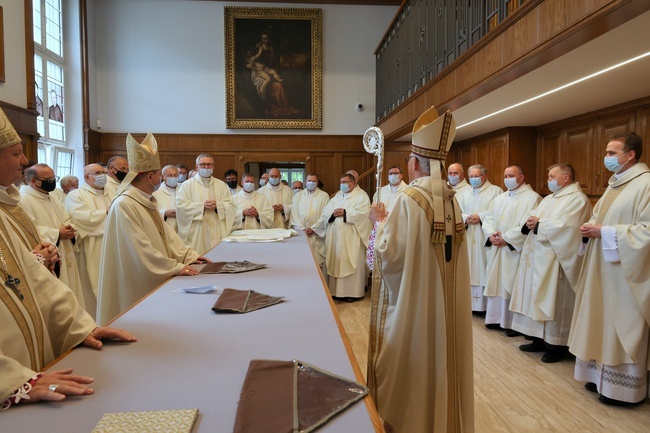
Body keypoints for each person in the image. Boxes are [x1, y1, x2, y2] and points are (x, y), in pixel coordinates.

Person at [0, 108, 136, 408]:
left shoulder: (7, 208)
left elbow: (33, 278)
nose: (24, 161)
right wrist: (7, 381)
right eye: (16, 153)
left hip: (31, 367)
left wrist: (80, 327)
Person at [367, 106, 473, 433]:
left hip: (416, 305)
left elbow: (387, 256)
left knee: (417, 353)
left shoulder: (409, 198)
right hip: (446, 303)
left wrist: (378, 224)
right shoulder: (451, 199)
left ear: (414, 163)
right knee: (445, 353)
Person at [569, 132, 650, 406]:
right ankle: (599, 376)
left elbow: (646, 232)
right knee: (599, 319)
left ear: (631, 155)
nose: (606, 158)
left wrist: (604, 231)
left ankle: (622, 390)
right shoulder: (615, 184)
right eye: (606, 153)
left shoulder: (645, 184)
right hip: (601, 265)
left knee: (620, 322)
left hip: (625, 272)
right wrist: (590, 228)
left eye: (612, 153)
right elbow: (600, 217)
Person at [97, 133, 206, 326]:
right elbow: (139, 249)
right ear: (150, 176)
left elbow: (165, 235)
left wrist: (187, 255)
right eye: (159, 173)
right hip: (134, 282)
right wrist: (175, 267)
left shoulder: (144, 200)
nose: (162, 177)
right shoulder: (125, 205)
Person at [508, 163, 591, 363]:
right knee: (537, 296)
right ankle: (538, 339)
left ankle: (557, 345)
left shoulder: (578, 200)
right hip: (539, 258)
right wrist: (531, 221)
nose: (549, 180)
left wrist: (540, 224)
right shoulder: (550, 198)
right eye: (548, 177)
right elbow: (534, 216)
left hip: (557, 261)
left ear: (566, 178)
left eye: (552, 177)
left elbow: (569, 228)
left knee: (556, 300)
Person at [482, 165, 541, 333]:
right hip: (497, 248)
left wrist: (506, 239)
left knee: (511, 282)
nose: (507, 178)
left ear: (522, 177)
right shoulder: (499, 198)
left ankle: (511, 323)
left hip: (513, 250)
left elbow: (527, 224)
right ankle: (494, 318)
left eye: (511, 175)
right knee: (496, 281)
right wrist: (492, 234)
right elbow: (488, 219)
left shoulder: (533, 198)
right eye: (505, 175)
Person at [21, 164, 87, 311]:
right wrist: (57, 233)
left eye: (53, 178)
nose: (52, 181)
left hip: (65, 249)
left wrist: (70, 229)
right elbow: (28, 230)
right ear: (32, 181)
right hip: (50, 255)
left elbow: (67, 218)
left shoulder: (53, 198)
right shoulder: (23, 200)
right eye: (47, 179)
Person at [313, 173, 371, 302]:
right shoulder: (337, 196)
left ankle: (352, 293)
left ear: (353, 183)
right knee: (336, 260)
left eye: (345, 182)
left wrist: (346, 213)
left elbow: (364, 214)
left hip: (352, 237)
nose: (342, 184)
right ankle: (334, 291)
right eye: (341, 182)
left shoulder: (361, 196)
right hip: (334, 237)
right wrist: (333, 214)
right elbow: (326, 211)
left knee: (351, 261)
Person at [64, 163, 111, 316]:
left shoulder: (113, 192)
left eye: (103, 172)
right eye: (97, 172)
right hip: (93, 246)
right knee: (93, 285)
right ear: (87, 177)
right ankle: (97, 318)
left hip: (113, 243)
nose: (102, 175)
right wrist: (107, 213)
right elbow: (82, 219)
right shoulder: (76, 195)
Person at [456, 164, 502, 312]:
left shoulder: (496, 191)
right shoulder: (464, 193)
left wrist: (480, 216)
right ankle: (468, 304)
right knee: (468, 266)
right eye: (471, 177)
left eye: (477, 176)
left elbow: (498, 212)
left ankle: (485, 306)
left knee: (483, 266)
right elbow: (458, 210)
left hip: (484, 236)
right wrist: (465, 218)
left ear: (484, 176)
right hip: (468, 235)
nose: (474, 179)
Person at [176, 153, 236, 255]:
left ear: (213, 166)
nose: (206, 167)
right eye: (203, 164)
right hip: (197, 231)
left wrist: (218, 206)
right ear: (197, 167)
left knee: (218, 257)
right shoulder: (187, 185)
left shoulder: (221, 185)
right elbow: (181, 207)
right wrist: (201, 206)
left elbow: (231, 206)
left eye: (209, 164)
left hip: (217, 229)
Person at [290, 173, 329, 269]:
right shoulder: (298, 196)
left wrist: (314, 228)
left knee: (317, 265)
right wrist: (302, 229)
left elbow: (326, 214)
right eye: (309, 181)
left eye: (314, 181)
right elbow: (294, 214)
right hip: (302, 234)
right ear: (305, 182)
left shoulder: (324, 196)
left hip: (316, 234)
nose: (311, 183)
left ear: (317, 182)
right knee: (302, 264)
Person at [152, 164, 179, 232]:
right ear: (163, 177)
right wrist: (164, 213)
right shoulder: (155, 195)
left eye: (175, 175)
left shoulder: (184, 191)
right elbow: (151, 214)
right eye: (170, 175)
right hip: (166, 229)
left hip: (182, 228)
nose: (173, 177)